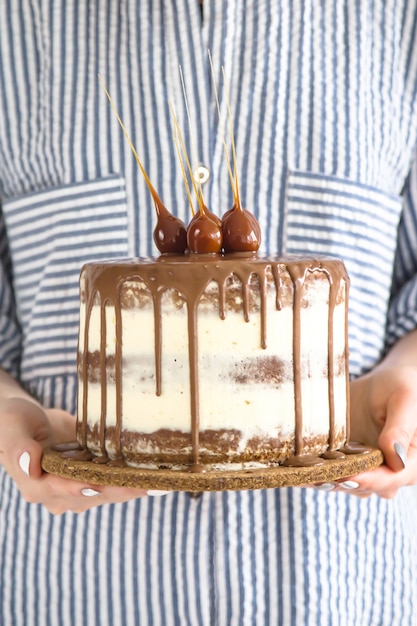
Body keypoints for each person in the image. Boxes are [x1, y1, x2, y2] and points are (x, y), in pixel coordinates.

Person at [1, 1, 417, 624]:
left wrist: (407, 378)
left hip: (342, 586)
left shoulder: (396, 20)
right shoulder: (17, 23)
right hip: (77, 587)